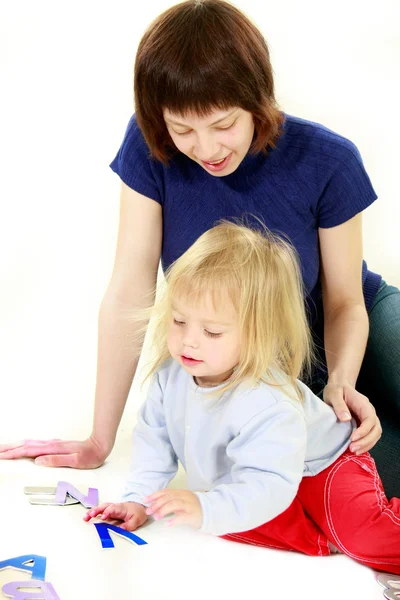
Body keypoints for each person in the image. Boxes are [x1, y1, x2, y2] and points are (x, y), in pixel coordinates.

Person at [1, 0, 398, 498]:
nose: (207, 149)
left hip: (354, 329)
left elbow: (345, 301)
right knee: (374, 482)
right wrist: (100, 439)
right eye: (183, 129)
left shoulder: (329, 160)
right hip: (272, 374)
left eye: (224, 124)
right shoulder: (149, 148)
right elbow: (129, 287)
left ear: (258, 99)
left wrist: (342, 382)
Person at [84, 222, 400, 575]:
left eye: (211, 331)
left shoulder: (267, 399)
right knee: (220, 517)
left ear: (255, 336)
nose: (189, 341)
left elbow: (270, 483)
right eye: (178, 320)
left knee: (364, 539)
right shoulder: (170, 377)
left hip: (324, 466)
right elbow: (153, 445)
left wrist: (209, 507)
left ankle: (336, 529)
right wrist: (137, 500)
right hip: (259, 472)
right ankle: (322, 534)